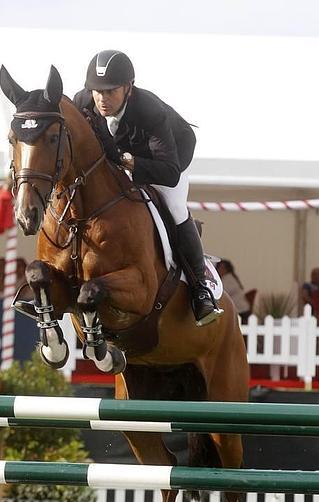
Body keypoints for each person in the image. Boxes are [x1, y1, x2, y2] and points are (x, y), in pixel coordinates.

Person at [73, 49, 222, 326]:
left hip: (168, 158)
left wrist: (128, 162)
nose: (102, 99)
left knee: (174, 207)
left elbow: (169, 172)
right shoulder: (82, 102)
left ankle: (200, 289)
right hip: (121, 156)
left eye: (110, 91)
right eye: (97, 91)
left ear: (128, 88)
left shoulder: (149, 111)